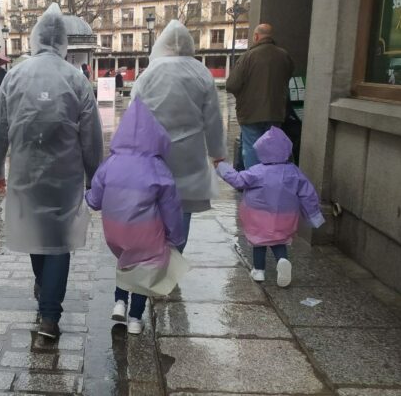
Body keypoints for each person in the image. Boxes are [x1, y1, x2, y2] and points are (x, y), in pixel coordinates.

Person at [0, 3, 103, 339]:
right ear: (64, 41)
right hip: (65, 176)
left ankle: (44, 293)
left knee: (37, 234)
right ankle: (49, 315)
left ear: (35, 38)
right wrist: (95, 177)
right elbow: (91, 135)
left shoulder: (16, 75)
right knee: (59, 241)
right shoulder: (76, 80)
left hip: (26, 172)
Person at [85, 98, 185, 334]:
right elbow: (171, 207)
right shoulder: (157, 167)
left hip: (114, 230)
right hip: (145, 230)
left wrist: (84, 198)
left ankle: (119, 301)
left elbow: (95, 199)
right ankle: (135, 319)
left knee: (125, 262)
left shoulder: (110, 163)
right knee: (144, 269)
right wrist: (176, 237)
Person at [131, 20, 226, 252]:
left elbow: (134, 113)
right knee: (183, 204)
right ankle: (175, 254)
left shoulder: (150, 73)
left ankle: (154, 250)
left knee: (154, 202)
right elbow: (213, 118)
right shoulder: (200, 72)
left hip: (153, 151)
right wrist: (217, 153)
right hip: (190, 153)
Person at [215, 127, 324, 287]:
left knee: (259, 242)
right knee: (279, 240)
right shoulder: (293, 172)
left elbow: (238, 180)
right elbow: (308, 193)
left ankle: (259, 271)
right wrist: (314, 215)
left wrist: (221, 167)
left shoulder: (256, 172)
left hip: (259, 216)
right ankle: (282, 260)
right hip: (285, 216)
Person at [226, 24, 294, 169]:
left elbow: (231, 85)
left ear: (256, 36)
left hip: (251, 113)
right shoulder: (284, 56)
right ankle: (268, 181)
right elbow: (288, 76)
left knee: (251, 148)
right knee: (272, 149)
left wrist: (243, 95)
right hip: (276, 112)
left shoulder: (248, 56)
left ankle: (254, 184)